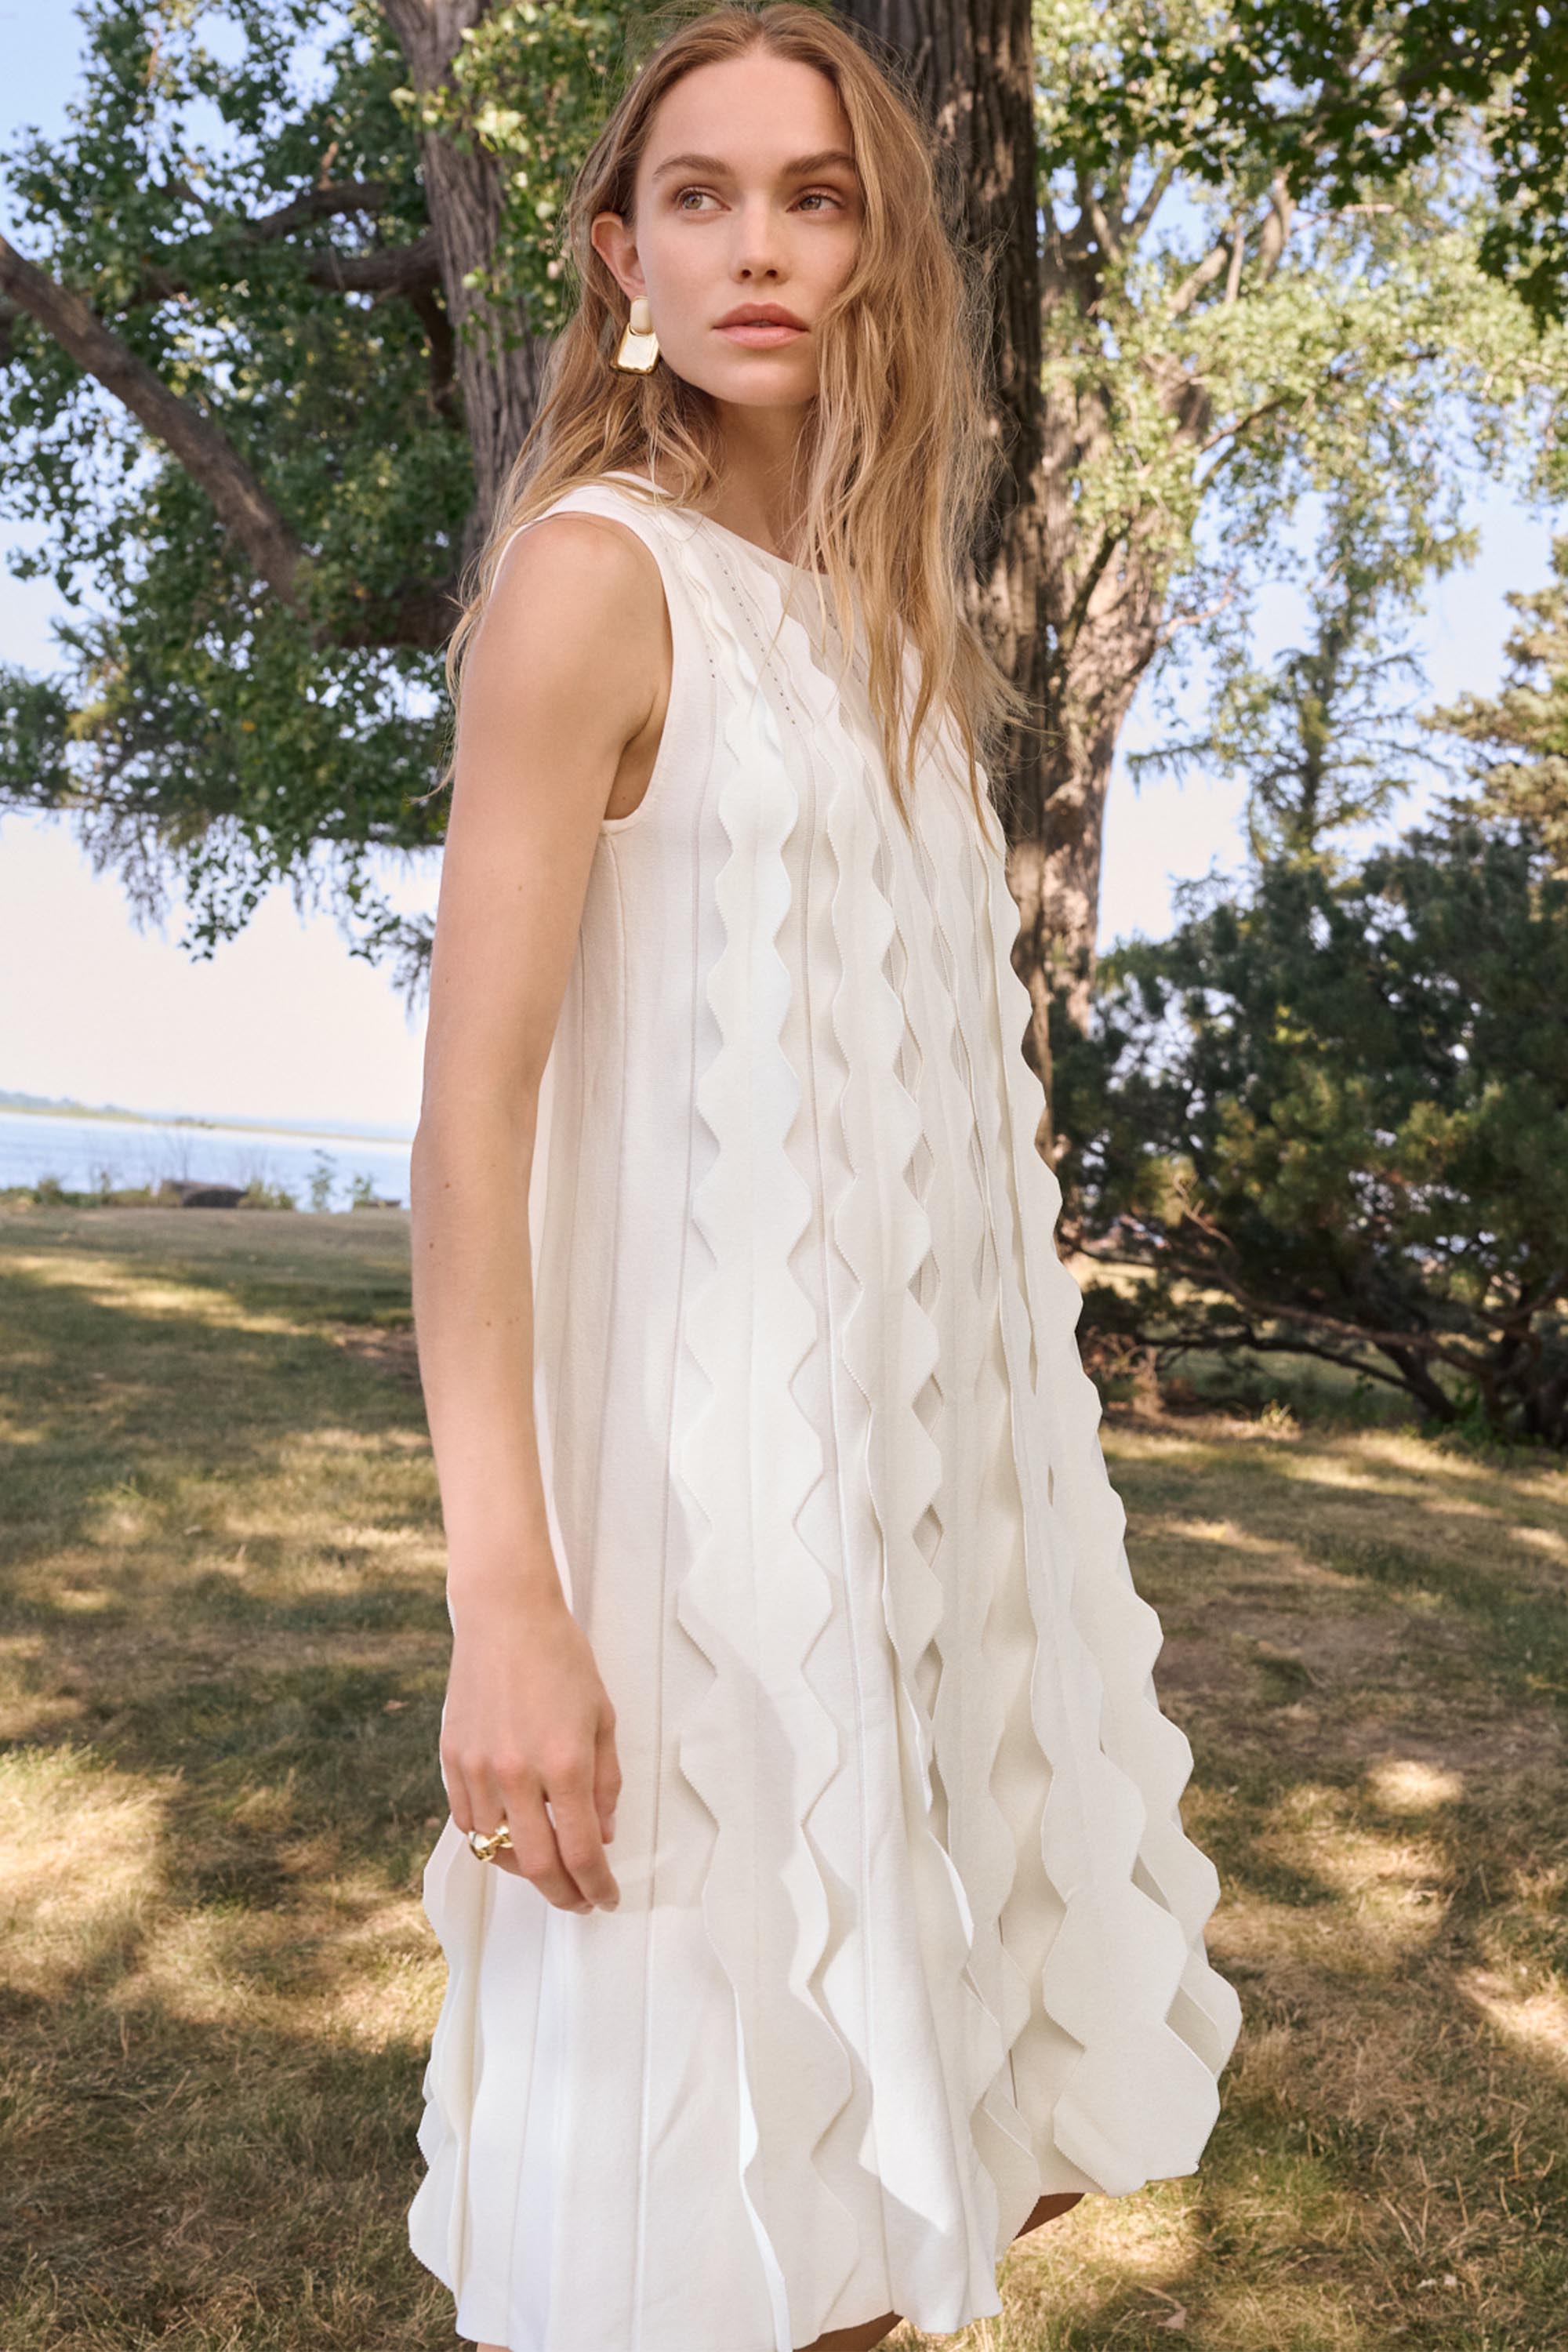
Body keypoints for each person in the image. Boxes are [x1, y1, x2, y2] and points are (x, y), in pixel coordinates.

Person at [405, 8, 1243, 2350]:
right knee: (692, 2234)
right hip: (691, 1551)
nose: (758, 246)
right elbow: (469, 1123)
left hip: (919, 1524)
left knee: (907, 2191)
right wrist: (507, 1602)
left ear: (882, 254)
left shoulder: (894, 637)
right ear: (621, 257)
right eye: (700, 196)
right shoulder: (596, 581)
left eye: (817, 196)